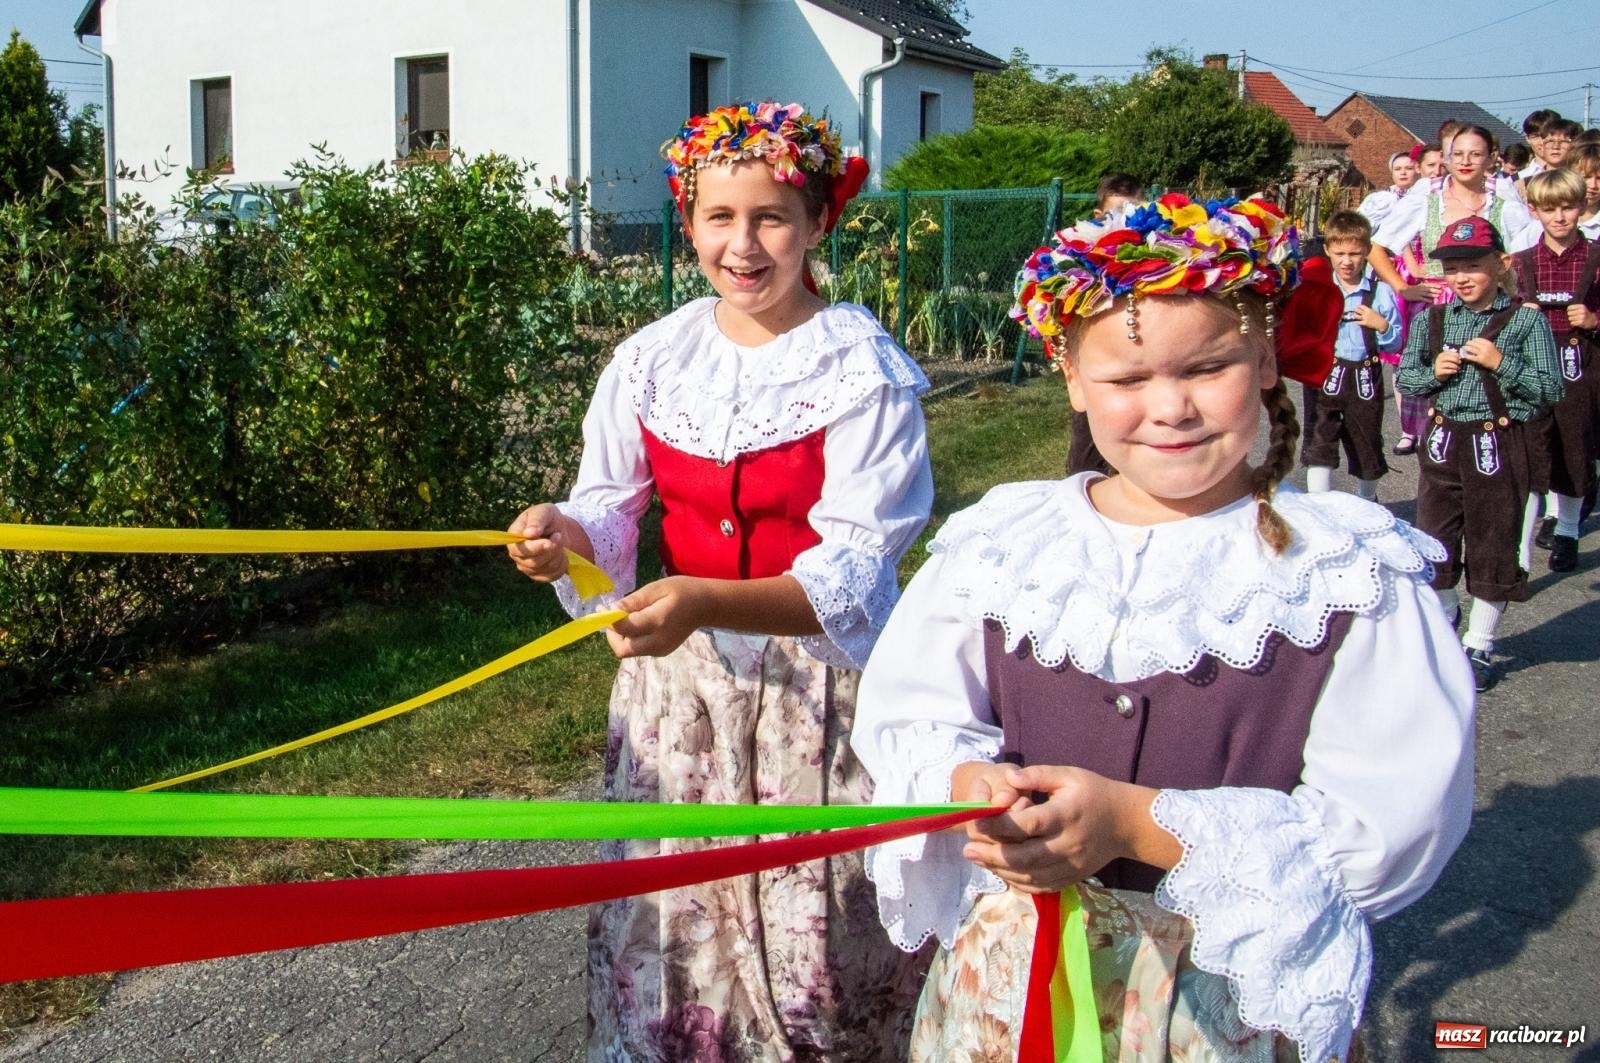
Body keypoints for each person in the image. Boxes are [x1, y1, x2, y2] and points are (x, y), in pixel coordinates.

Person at [852, 195, 1475, 1062]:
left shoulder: (1344, 572)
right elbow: (908, 715)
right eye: (1128, 379)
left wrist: (1135, 825)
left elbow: (1385, 825)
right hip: (1011, 977)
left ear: (1264, 358)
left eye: (1206, 368)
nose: (1170, 408)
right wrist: (965, 781)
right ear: (1071, 376)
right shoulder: (1004, 542)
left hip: (1224, 994)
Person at [505, 101, 935, 1061]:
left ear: (821, 221)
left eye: (772, 217)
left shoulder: (864, 370)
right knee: (675, 930)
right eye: (718, 218)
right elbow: (610, 513)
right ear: (688, 220)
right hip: (681, 696)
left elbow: (853, 572)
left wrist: (703, 598)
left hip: (814, 696)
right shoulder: (655, 360)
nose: (743, 245)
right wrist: (558, 535)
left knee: (812, 937)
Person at [1397, 216, 1562, 691]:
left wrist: (1501, 363)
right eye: (1451, 268)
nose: (1461, 277)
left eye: (1472, 265)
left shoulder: (1526, 319)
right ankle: (1448, 619)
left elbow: (1550, 389)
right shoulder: (1433, 318)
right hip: (1444, 443)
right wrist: (1435, 374)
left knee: (1494, 542)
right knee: (1434, 539)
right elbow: (1408, 378)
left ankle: (1480, 643)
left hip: (1498, 444)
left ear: (1502, 264)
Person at [1517, 168, 1600, 572]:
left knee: (1574, 450)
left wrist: (1594, 318)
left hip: (1580, 364)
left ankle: (1566, 531)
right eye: (1550, 209)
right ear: (1535, 211)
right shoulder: (1522, 261)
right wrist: (1521, 315)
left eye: (1568, 207)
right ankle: (1519, 550)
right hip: (1532, 367)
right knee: (1531, 453)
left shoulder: (1597, 257)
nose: (1560, 217)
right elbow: (1498, 315)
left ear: (1582, 206)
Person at [1304, 210, 1403, 499]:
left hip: (1365, 378)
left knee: (1367, 444)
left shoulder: (1380, 293)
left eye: (1355, 253)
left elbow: (1396, 344)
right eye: (1340, 253)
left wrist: (1381, 326)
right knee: (1319, 444)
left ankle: (1368, 500)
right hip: (1325, 377)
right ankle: (1320, 509)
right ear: (1328, 251)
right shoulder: (1317, 290)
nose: (1347, 261)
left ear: (1368, 251)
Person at [1068, 173, 1147, 478]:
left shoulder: (1153, 253)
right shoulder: (1086, 255)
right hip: (1102, 362)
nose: (1125, 221)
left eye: (1134, 212)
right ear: (1099, 216)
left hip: (1140, 353)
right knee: (1087, 445)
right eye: (1117, 214)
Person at [1356, 151, 1420, 227]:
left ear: (1418, 170)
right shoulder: (1376, 198)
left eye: (1409, 168)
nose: (1403, 172)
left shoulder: (1424, 196)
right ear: (1392, 173)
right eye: (1397, 169)